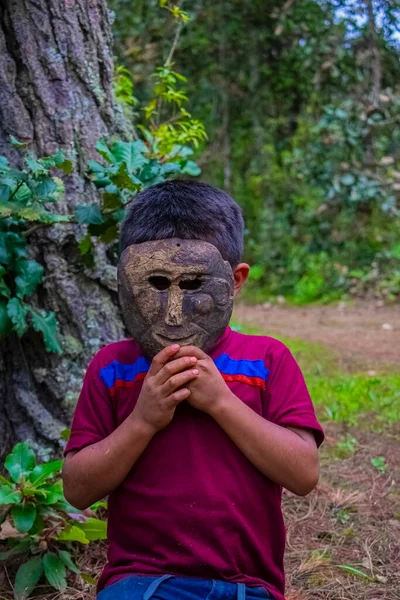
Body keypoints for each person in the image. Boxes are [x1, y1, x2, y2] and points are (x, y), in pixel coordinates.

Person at [63, 180, 324, 600]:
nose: (172, 312)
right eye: (156, 283)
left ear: (235, 280)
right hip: (139, 582)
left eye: (193, 285)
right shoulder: (113, 369)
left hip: (247, 587)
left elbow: (303, 473)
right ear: (127, 281)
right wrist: (143, 420)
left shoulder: (267, 361)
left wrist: (221, 402)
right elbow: (77, 488)